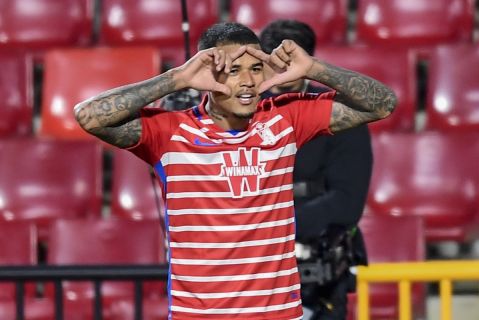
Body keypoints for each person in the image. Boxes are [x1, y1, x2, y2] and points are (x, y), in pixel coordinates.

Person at [74, 22, 396, 320]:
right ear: (208, 74)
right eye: (233, 70)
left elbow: (382, 104)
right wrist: (177, 78)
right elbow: (89, 117)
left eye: (255, 69)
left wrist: (313, 68)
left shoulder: (284, 120)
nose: (247, 81)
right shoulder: (171, 131)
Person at [260, 19, 373, 319]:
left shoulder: (338, 115)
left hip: (317, 271)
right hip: (254, 271)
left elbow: (346, 202)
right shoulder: (244, 112)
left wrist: (270, 227)